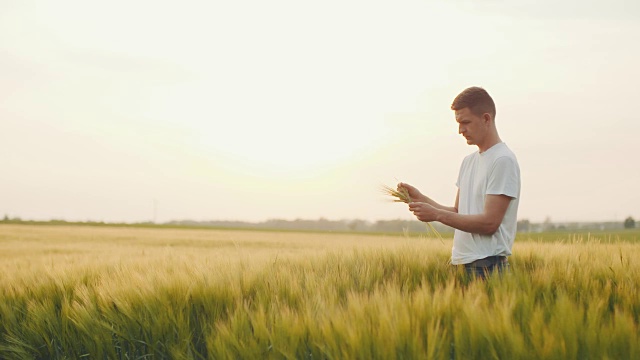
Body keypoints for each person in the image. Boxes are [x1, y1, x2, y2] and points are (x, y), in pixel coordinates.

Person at [399, 86, 520, 279]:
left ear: (486, 119)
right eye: (458, 123)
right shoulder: (468, 162)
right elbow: (458, 212)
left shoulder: (502, 160)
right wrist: (421, 198)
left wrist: (437, 215)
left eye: (465, 122)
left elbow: (490, 223)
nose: (460, 130)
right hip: (461, 263)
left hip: (487, 266)